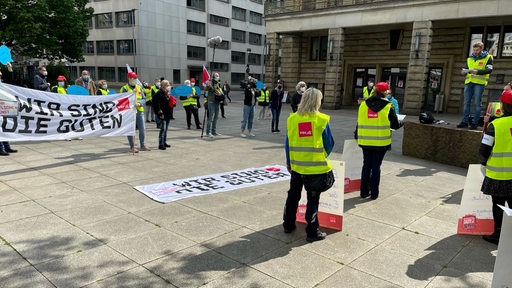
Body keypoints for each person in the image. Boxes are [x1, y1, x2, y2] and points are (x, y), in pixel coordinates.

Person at [283, 88, 335, 242]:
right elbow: (329, 143)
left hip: (296, 167)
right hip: (315, 168)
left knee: (293, 196)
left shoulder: (292, 119)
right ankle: (312, 232)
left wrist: (289, 161)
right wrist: (320, 156)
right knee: (313, 200)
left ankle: (288, 224)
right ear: (318, 101)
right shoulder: (321, 119)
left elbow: (288, 143)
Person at [357, 82, 402, 200]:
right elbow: (395, 125)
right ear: (386, 92)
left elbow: (359, 122)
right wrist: (402, 122)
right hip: (381, 143)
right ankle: (374, 193)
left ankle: (363, 192)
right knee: (376, 166)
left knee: (366, 165)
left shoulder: (363, 104)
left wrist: (356, 135)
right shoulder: (388, 106)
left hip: (365, 141)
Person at [479, 90, 512, 245]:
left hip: (498, 175)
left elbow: (484, 149)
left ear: (503, 106)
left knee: (498, 205)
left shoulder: (496, 125)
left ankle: (498, 234)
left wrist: (483, 162)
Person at [457, 41, 493, 130]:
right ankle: (465, 122)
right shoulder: (470, 58)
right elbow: (466, 69)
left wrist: (478, 72)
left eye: (477, 50)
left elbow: (489, 70)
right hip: (468, 82)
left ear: (481, 49)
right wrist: (463, 72)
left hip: (479, 84)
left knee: (477, 103)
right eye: (474, 50)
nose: (475, 51)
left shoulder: (488, 57)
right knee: (466, 103)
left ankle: (474, 123)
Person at [120, 72, 150, 153]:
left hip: (139, 111)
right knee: (130, 130)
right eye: (134, 78)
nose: (135, 79)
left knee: (142, 129)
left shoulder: (139, 88)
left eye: (136, 78)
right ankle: (132, 146)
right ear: (129, 78)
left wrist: (140, 103)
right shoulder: (124, 88)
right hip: (129, 112)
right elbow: (122, 101)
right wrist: (131, 93)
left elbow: (144, 98)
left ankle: (142, 145)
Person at [152, 80, 173, 150]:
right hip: (162, 114)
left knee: (166, 129)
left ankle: (164, 142)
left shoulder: (166, 92)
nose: (169, 86)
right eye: (168, 85)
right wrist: (160, 113)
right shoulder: (159, 93)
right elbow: (156, 105)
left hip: (167, 113)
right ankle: (160, 144)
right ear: (164, 85)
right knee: (163, 129)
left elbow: (168, 102)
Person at [205, 72, 224, 138]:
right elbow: (206, 92)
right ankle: (208, 132)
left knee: (216, 117)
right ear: (213, 77)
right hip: (211, 102)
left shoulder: (217, 83)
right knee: (210, 118)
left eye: (218, 75)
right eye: (216, 76)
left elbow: (219, 91)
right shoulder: (209, 83)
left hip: (217, 102)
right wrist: (206, 101)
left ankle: (214, 131)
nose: (218, 77)